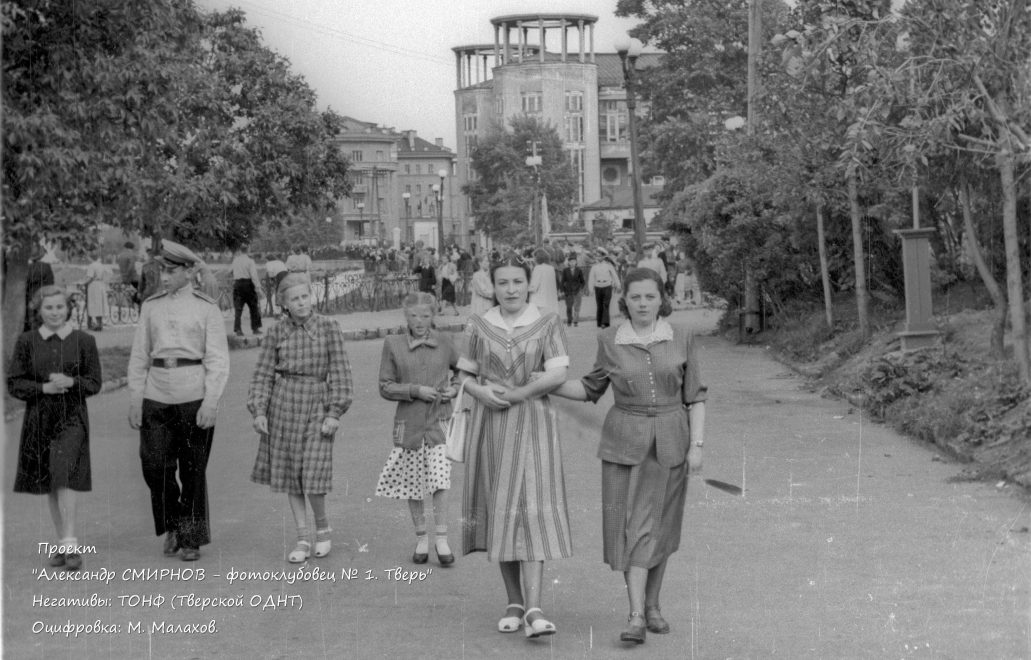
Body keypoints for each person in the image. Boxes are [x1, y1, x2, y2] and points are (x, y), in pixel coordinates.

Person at [550, 267, 707, 644]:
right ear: (625, 300)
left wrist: (697, 446)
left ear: (661, 299)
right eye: (635, 297)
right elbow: (591, 388)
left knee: (661, 526)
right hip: (624, 443)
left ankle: (652, 606)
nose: (642, 304)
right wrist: (546, 384)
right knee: (634, 527)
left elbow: (695, 396)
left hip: (672, 439)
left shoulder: (682, 336)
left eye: (650, 296)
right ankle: (636, 614)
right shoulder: (610, 339)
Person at [457, 254, 572, 639]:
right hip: (491, 423)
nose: (510, 290)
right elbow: (464, 374)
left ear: (529, 285)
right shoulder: (478, 323)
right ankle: (514, 602)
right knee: (500, 507)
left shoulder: (547, 321)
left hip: (534, 422)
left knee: (532, 509)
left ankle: (535, 608)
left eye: (517, 282)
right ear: (492, 286)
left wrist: (520, 393)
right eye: (503, 283)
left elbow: (559, 372)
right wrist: (479, 392)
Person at [127, 240, 230, 561]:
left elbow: (218, 359)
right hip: (156, 396)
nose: (164, 277)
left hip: (193, 396)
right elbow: (139, 355)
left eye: (171, 271)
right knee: (154, 466)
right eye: (162, 271)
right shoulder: (151, 306)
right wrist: (135, 398)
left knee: (193, 469)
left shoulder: (206, 308)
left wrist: (211, 401)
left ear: (188, 272)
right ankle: (173, 523)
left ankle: (190, 538)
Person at [247, 273, 352, 562]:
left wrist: (334, 412)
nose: (301, 302)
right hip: (283, 406)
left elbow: (341, 373)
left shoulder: (329, 327)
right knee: (291, 474)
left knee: (313, 473)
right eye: (294, 299)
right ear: (284, 303)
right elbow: (263, 374)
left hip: (318, 404)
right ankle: (303, 537)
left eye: (305, 296)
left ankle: (323, 529)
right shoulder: (275, 332)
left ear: (311, 296)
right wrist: (259, 410)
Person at [8, 285, 102, 570]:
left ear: (68, 308)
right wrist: (43, 388)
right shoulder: (27, 341)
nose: (54, 312)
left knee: (64, 475)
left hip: (72, 417)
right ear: (39, 310)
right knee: (51, 481)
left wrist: (72, 382)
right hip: (39, 419)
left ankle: (71, 545)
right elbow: (15, 383)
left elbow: (94, 382)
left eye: (60, 307)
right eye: (48, 308)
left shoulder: (84, 340)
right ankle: (64, 543)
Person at [375, 293, 459, 566]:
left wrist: (454, 388)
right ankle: (422, 538)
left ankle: (442, 539)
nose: (419, 321)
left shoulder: (445, 341)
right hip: (409, 424)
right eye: (413, 316)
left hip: (439, 422)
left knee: (440, 480)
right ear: (405, 316)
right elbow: (385, 385)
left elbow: (462, 371)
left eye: (425, 315)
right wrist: (414, 390)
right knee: (413, 482)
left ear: (433, 316)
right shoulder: (393, 344)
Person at [231, 244, 264, 338]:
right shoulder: (250, 261)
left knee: (238, 308)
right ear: (248, 250)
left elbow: (231, 271)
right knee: (253, 307)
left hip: (238, 284)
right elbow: (254, 275)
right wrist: (258, 288)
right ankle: (255, 328)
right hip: (248, 284)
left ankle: (238, 329)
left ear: (240, 250)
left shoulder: (235, 260)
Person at [23, 243, 55, 332]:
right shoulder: (47, 267)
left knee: (31, 321)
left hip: (30, 298)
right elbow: (51, 284)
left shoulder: (28, 268)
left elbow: (25, 285)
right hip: (43, 297)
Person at [588, 248, 620, 329]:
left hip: (607, 286)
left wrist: (618, 285)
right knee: (599, 305)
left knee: (606, 304)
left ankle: (605, 322)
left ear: (603, 257)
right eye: (597, 256)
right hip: (598, 287)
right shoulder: (594, 267)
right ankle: (599, 322)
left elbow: (614, 276)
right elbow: (591, 278)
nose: (598, 258)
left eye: (599, 256)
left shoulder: (609, 266)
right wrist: (591, 289)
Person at [528, 249, 560, 318]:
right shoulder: (551, 268)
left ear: (537, 258)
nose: (533, 259)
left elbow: (533, 287)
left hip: (539, 302)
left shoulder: (537, 268)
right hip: (550, 302)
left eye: (534, 257)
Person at [84, 251, 109, 331]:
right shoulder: (101, 265)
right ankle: (99, 323)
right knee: (100, 304)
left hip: (93, 285)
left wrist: (84, 283)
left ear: (90, 258)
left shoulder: (91, 266)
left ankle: (93, 323)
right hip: (101, 285)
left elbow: (90, 277)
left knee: (93, 303)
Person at [559, 253, 586, 326]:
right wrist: (562, 291)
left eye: (574, 261)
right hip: (568, 291)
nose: (572, 263)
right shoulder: (565, 270)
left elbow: (583, 281)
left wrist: (580, 288)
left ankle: (575, 321)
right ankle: (569, 320)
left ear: (576, 262)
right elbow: (562, 281)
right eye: (570, 261)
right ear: (568, 262)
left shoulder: (579, 270)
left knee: (577, 307)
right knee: (569, 307)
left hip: (577, 291)